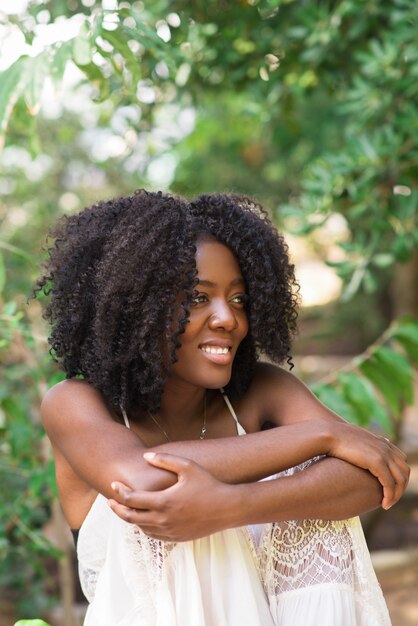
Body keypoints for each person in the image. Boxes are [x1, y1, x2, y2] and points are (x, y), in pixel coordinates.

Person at [38, 190, 409, 626]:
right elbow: (146, 480)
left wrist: (233, 506)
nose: (228, 319)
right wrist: (321, 435)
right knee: (179, 513)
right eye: (199, 298)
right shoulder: (76, 402)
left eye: (238, 299)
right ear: (136, 308)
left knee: (317, 501)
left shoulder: (260, 390)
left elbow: (372, 476)